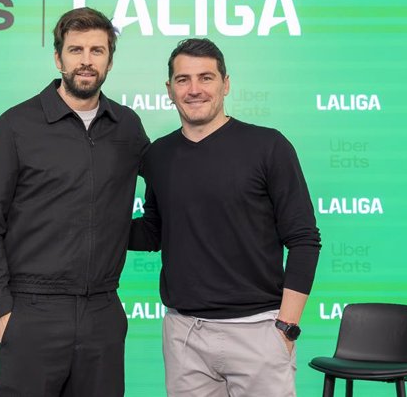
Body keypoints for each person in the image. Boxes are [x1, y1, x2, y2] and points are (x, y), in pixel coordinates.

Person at [0, 7, 149, 397]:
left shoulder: (128, 126)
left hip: (103, 311)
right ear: (58, 58)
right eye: (76, 50)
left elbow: (170, 189)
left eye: (97, 51)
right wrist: (3, 311)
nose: (86, 61)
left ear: (110, 60)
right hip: (32, 311)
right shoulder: (16, 126)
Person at [130, 38, 321, 397]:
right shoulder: (158, 155)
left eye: (206, 77)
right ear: (169, 90)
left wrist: (287, 327)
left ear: (226, 84)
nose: (195, 89)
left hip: (259, 331)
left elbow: (304, 239)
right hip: (184, 334)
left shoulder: (268, 146)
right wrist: (83, 223)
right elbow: (153, 233)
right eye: (183, 80)